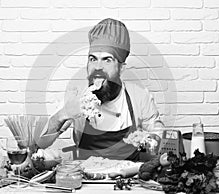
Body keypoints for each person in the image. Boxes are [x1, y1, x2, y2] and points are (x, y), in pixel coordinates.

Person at [34, 18, 164, 162]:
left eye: (107, 60)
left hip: (128, 179)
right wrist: (63, 114)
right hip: (85, 179)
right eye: (92, 59)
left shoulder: (139, 96)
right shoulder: (77, 97)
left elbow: (160, 140)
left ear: (121, 68)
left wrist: (146, 140)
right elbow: (40, 143)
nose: (97, 67)